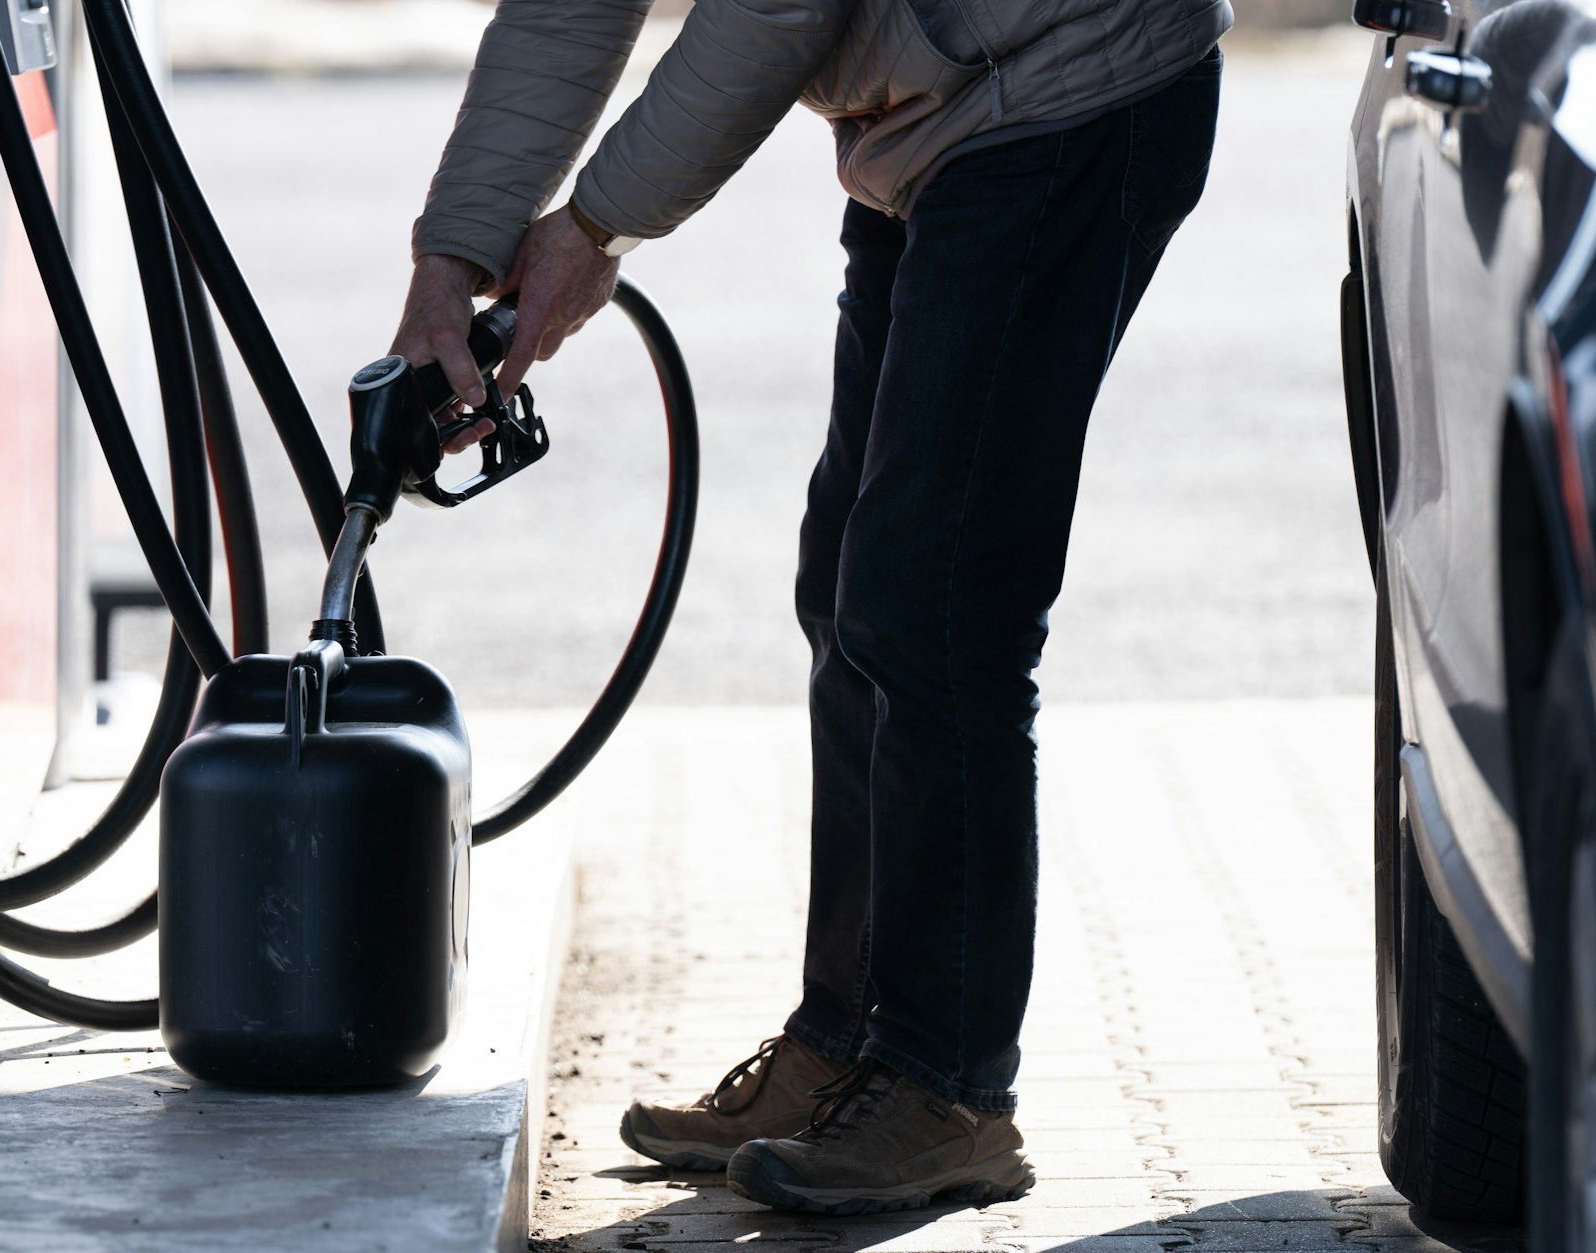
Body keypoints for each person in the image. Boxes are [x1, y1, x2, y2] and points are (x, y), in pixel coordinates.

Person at [392, 0, 1231, 1216]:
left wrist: (594, 224)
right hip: (930, 123)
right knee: (849, 586)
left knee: (931, 594)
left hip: (1063, 87)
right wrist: (452, 255)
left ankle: (945, 1089)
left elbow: (772, 11)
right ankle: (845, 1047)